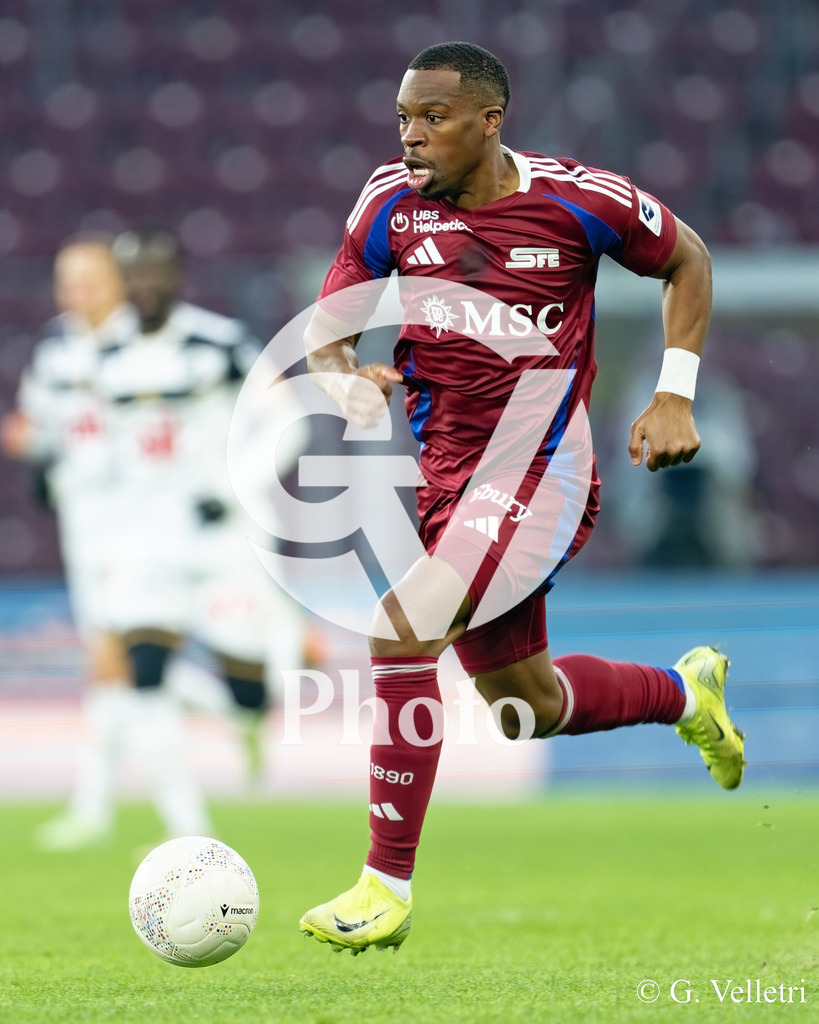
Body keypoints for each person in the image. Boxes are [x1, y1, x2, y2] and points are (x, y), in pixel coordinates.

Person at [297, 41, 745, 954]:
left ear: (489, 121)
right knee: (522, 706)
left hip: (543, 468)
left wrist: (672, 392)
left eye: (433, 119)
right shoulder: (388, 204)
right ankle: (683, 695)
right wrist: (339, 376)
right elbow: (328, 326)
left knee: (401, 625)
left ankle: (384, 884)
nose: (411, 138)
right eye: (403, 121)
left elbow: (686, 260)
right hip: (449, 478)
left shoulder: (582, 200)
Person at [1, 236, 211, 849]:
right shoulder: (54, 348)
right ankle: (98, 806)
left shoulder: (152, 342)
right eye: (67, 281)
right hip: (84, 525)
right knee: (111, 667)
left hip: (146, 522)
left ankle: (183, 816)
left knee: (132, 663)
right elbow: (37, 427)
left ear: (119, 283)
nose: (76, 293)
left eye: (89, 279)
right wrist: (30, 439)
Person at [97, 225, 309, 793]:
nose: (144, 284)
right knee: (142, 667)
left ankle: (248, 727)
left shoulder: (220, 343)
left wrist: (237, 483)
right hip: (146, 538)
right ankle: (181, 817)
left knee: (247, 687)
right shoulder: (103, 353)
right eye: (134, 273)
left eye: (155, 271)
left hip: (220, 538)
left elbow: (290, 419)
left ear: (177, 277)